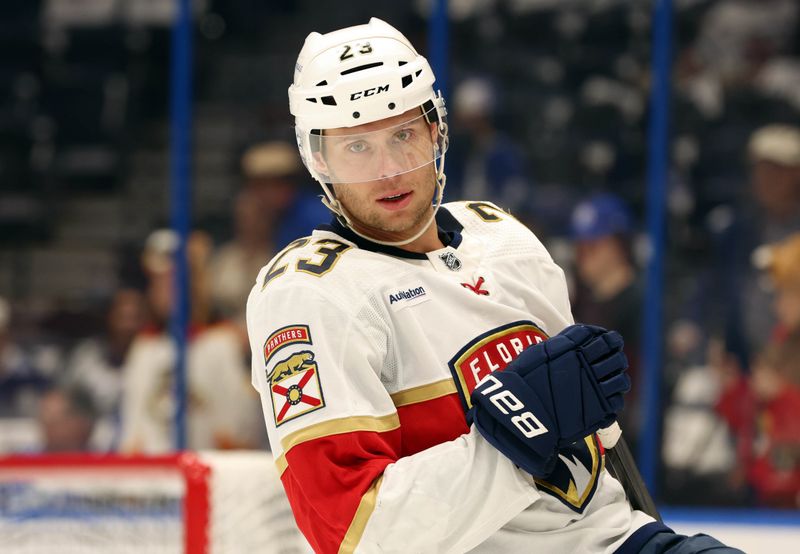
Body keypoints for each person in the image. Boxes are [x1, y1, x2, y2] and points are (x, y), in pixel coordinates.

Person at [246, 18, 740, 553]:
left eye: (404, 136)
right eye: (357, 148)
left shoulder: (503, 238)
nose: (388, 170)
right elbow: (348, 531)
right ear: (319, 159)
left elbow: (597, 440)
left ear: (437, 131)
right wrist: (512, 440)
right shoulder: (310, 294)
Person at [119, 229, 262, 453]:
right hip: (157, 480)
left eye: (171, 281)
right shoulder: (144, 348)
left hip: (209, 476)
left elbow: (240, 432)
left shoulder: (223, 343)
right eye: (157, 282)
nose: (162, 290)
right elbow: (133, 434)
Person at [569, 193, 644, 452]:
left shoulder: (641, 302)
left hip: (627, 431)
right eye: (580, 247)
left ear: (619, 246)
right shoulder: (578, 299)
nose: (583, 256)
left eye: (593, 247)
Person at [36, 384, 98, 453]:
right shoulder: (30, 459)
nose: (45, 426)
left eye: (54, 421)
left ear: (80, 422)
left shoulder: (102, 460)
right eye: (43, 417)